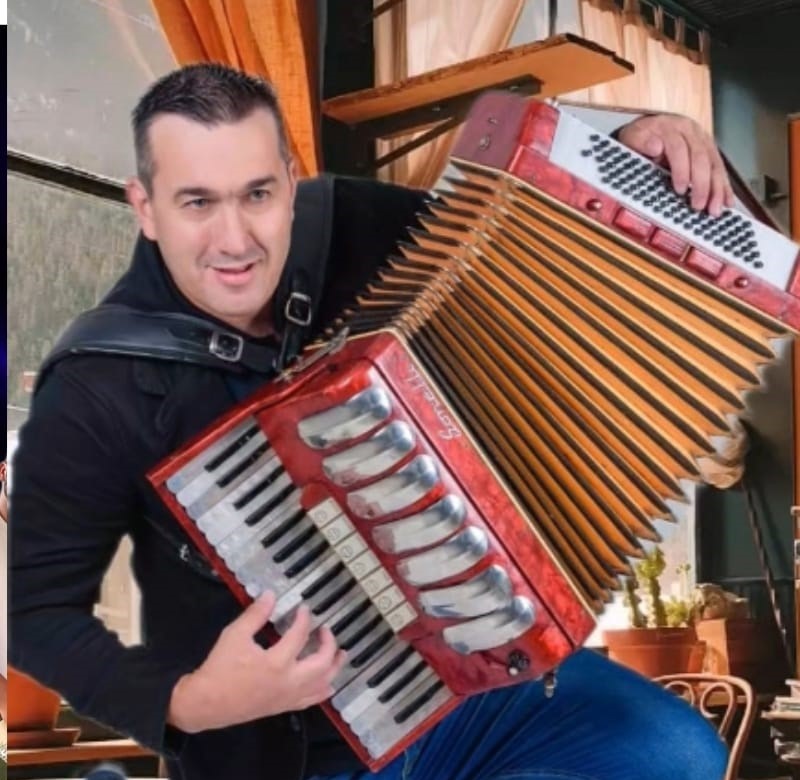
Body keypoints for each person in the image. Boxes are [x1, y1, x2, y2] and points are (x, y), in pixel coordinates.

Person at [10, 63, 731, 780]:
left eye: (258, 194)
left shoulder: (354, 227)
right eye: (197, 203)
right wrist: (192, 702)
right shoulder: (95, 386)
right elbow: (35, 614)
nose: (235, 241)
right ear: (145, 206)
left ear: (290, 181)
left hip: (471, 680)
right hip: (295, 748)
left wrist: (620, 148)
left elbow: (514, 227)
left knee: (679, 752)